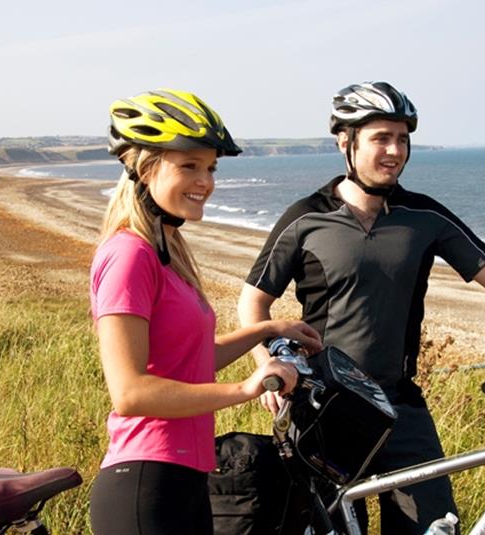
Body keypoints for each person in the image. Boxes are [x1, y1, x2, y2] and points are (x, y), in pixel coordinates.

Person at [237, 81, 485, 534]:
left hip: (400, 407)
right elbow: (252, 304)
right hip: (323, 410)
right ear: (346, 142)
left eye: (402, 138)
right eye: (381, 138)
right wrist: (269, 369)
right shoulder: (305, 218)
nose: (394, 150)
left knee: (435, 526)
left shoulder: (424, 216)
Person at [88, 88, 322, 535]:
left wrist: (267, 328)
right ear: (144, 167)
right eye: (189, 166)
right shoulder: (128, 255)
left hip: (186, 479)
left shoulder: (165, 253)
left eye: (210, 167)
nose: (206, 182)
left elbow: (192, 360)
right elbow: (130, 393)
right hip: (146, 484)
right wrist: (246, 388)